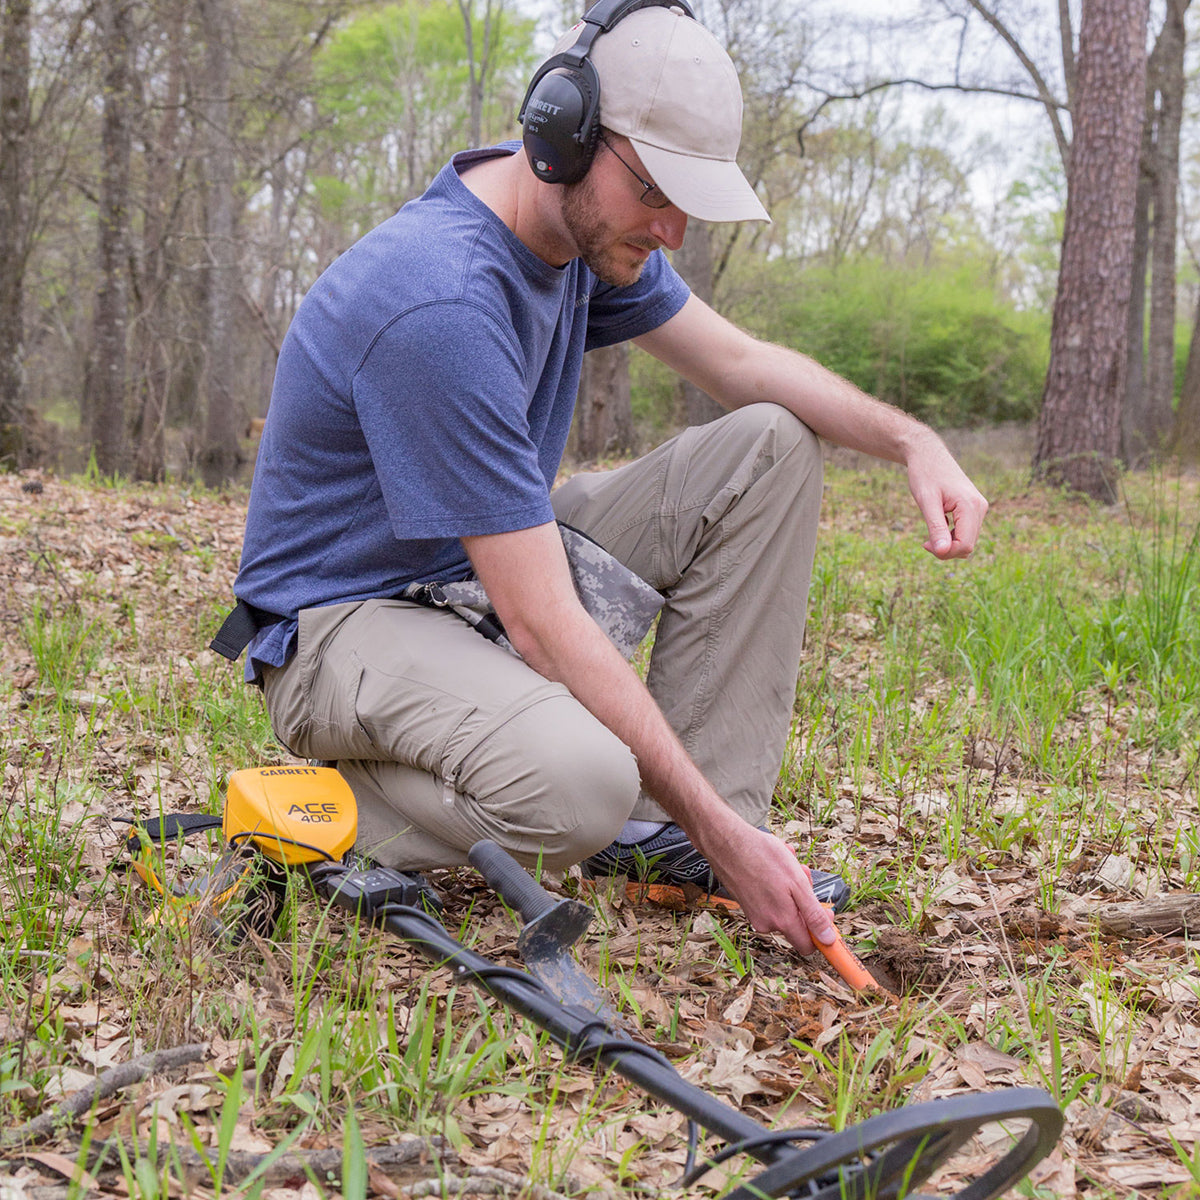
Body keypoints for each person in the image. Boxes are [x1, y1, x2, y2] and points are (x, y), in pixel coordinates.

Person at [213, 0, 988, 957]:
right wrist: (716, 825)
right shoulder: (440, 299)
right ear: (565, 134)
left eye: (687, 203)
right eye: (656, 191)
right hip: (339, 627)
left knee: (768, 445)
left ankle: (682, 840)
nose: (670, 228)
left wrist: (915, 442)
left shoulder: (582, 238)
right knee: (581, 788)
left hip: (462, 576)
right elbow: (542, 621)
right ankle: (319, 807)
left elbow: (741, 366)